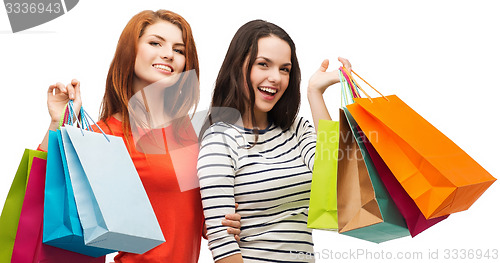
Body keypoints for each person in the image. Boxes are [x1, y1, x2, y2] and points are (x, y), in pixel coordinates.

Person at [39, 9, 241, 263]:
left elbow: (196, 222)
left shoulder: (194, 137)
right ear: (130, 51)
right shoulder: (104, 135)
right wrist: (57, 121)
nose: (168, 53)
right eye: (155, 43)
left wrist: (225, 220)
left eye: (179, 50)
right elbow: (43, 191)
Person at [197, 20, 351, 262]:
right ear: (238, 67)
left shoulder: (298, 129)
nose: (275, 78)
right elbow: (223, 242)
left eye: (284, 69)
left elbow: (338, 180)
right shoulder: (220, 140)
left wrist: (315, 94)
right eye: (263, 65)